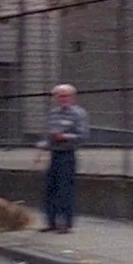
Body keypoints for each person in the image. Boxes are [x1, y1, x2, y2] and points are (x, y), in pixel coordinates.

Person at [37, 84, 90, 233]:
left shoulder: (78, 114)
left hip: (67, 155)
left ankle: (66, 223)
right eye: (59, 96)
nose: (62, 99)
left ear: (72, 97)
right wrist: (43, 144)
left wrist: (64, 137)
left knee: (65, 189)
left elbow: (83, 136)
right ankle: (51, 222)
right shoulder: (53, 114)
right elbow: (48, 136)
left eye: (65, 96)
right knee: (50, 188)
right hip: (54, 154)